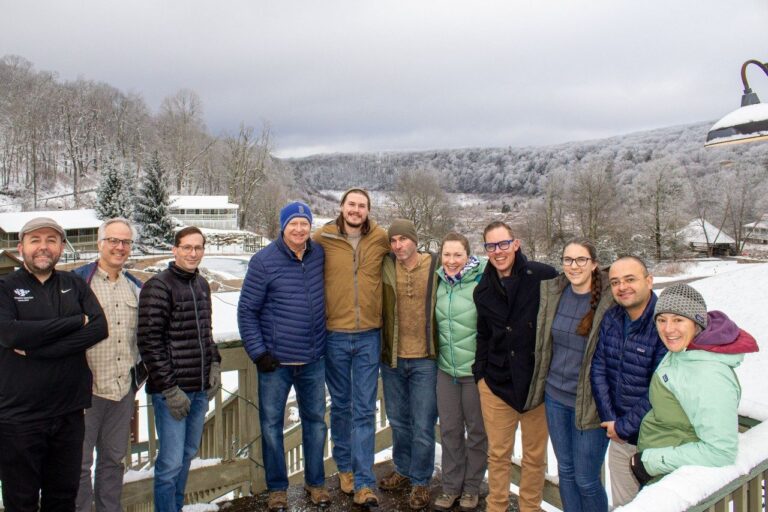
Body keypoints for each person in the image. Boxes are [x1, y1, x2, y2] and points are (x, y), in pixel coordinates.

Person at [0, 217, 108, 512]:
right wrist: (74, 322)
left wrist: (37, 350)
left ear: (62, 247)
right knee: (20, 502)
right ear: (21, 247)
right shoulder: (6, 287)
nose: (43, 247)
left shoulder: (73, 284)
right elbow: (9, 332)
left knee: (62, 499)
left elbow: (99, 328)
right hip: (19, 418)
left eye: (51, 240)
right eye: (35, 240)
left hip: (69, 412)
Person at [238, 202, 329, 511]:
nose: (300, 229)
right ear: (283, 226)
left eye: (305, 224)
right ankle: (277, 488)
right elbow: (247, 311)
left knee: (315, 422)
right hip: (276, 363)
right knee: (271, 426)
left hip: (314, 358)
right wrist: (258, 352)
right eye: (294, 224)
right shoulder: (263, 261)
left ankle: (316, 484)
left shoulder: (319, 255)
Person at [631, 283, 758, 485]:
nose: (668, 328)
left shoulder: (709, 374)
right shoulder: (685, 351)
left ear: (696, 323)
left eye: (678, 320)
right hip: (668, 466)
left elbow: (720, 451)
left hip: (678, 478)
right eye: (661, 320)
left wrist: (649, 461)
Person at [312, 188, 390, 507]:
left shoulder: (381, 238)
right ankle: (344, 467)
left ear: (368, 210)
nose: (356, 210)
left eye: (362, 205)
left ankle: (364, 481)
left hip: (370, 334)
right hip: (335, 334)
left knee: (364, 407)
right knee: (341, 405)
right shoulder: (323, 238)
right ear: (341, 207)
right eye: (351, 204)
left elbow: (407, 255)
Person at [472, 221, 557, 512]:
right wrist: (480, 375)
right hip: (496, 383)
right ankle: (496, 507)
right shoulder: (483, 290)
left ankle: (529, 508)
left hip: (536, 384)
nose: (498, 251)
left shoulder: (543, 276)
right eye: (491, 246)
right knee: (498, 454)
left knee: (534, 456)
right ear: (485, 250)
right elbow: (483, 335)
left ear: (516, 243)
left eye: (503, 244)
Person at [137, 226, 222, 512]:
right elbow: (149, 341)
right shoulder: (158, 286)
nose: (193, 253)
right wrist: (169, 388)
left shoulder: (201, 285)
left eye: (198, 247)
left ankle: (176, 507)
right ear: (174, 249)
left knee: (187, 455)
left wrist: (215, 362)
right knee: (170, 463)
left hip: (199, 389)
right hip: (172, 391)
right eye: (187, 247)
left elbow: (205, 333)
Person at [527, 239, 614, 512]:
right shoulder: (556, 293)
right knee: (565, 470)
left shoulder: (609, 301)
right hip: (555, 397)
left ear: (594, 264)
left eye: (581, 260)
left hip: (590, 403)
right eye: (568, 260)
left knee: (587, 479)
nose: (573, 266)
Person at [73, 218, 145, 512]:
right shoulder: (77, 283)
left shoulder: (134, 287)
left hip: (121, 391)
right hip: (84, 393)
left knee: (114, 462)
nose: (119, 247)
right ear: (100, 243)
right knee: (78, 465)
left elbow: (143, 337)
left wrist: (138, 377)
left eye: (125, 242)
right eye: (113, 241)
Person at [590, 256, 667, 507]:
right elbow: (598, 366)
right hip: (619, 439)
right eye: (615, 282)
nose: (622, 287)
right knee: (625, 504)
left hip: (655, 440)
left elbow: (662, 388)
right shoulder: (612, 318)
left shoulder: (665, 324)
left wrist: (624, 426)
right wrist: (611, 419)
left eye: (630, 279)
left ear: (649, 280)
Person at [379, 219, 439, 510]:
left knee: (423, 424)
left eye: (403, 239)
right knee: (399, 420)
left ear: (415, 239)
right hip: (393, 358)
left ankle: (421, 481)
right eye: (393, 240)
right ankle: (402, 470)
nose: (398, 245)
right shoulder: (386, 266)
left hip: (426, 359)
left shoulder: (436, 266)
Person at [432, 232, 487, 512]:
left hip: (474, 372)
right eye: (447, 254)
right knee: (451, 430)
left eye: (458, 255)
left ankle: (472, 487)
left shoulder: (482, 279)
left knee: (476, 431)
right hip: (446, 369)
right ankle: (451, 486)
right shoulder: (438, 281)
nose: (451, 261)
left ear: (468, 256)